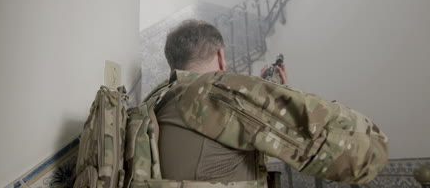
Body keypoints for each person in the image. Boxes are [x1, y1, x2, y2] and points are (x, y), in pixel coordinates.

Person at [150, 19, 388, 185]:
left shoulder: (159, 100)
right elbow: (366, 155)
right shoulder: (215, 91)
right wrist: (273, 92)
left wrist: (266, 93)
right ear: (221, 56)